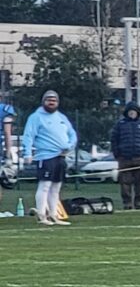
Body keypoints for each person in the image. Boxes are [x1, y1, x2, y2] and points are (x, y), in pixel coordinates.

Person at [22, 90, 77, 227]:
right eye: (49, 100)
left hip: (61, 156)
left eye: (54, 101)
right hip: (46, 156)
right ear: (43, 102)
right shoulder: (36, 117)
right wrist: (27, 154)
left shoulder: (61, 117)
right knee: (45, 185)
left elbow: (72, 134)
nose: (51, 103)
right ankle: (42, 215)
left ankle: (54, 214)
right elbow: (28, 136)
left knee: (56, 187)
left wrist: (69, 146)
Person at [110, 104, 140, 210]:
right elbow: (114, 140)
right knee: (125, 183)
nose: (132, 113)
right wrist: (117, 154)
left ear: (137, 113)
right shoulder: (120, 125)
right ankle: (127, 203)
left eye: (133, 112)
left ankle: (139, 203)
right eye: (130, 112)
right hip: (124, 158)